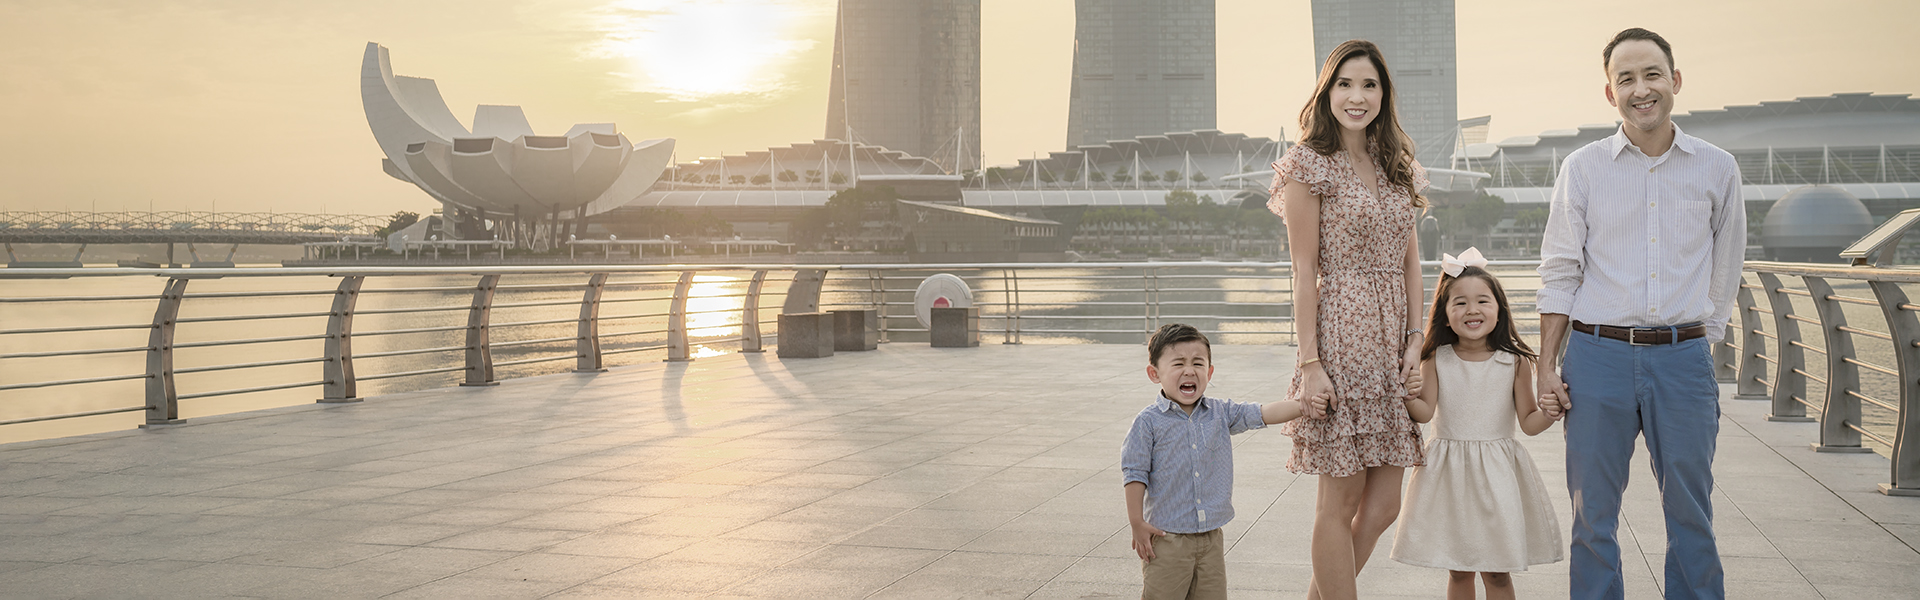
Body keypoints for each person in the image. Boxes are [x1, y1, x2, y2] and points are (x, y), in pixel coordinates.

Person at [1535, 28, 1745, 600]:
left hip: (1682, 358)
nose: (1640, 88)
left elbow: (1727, 267)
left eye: (1651, 74)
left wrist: (1704, 343)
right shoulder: (1582, 168)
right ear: (1610, 94)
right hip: (1596, 357)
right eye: (1625, 78)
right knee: (1593, 518)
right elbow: (1560, 271)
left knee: (1692, 516)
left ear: (1674, 81)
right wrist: (1546, 366)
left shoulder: (1718, 168)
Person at [1268, 38, 1429, 600]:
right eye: (1345, 84)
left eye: (1369, 85)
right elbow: (1303, 269)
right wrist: (1311, 363)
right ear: (1326, 90)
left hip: (1392, 347)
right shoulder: (1308, 166)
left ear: (1384, 94)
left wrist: (1416, 342)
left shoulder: (1396, 166)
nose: (1357, 97)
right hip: (1342, 336)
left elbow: (1413, 265)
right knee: (1338, 502)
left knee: (1384, 504)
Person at [1392, 249, 1565, 600]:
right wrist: (1408, 393)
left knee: (1498, 572)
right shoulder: (1436, 358)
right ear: (1444, 313)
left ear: (1499, 308)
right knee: (1459, 568)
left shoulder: (1514, 362)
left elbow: (1529, 423)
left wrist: (1550, 410)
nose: (1472, 310)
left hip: (1498, 476)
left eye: (1483, 301)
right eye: (1460, 303)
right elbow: (1425, 412)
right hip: (1449, 474)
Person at [1122, 323, 1328, 600]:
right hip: (1167, 538)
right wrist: (1136, 522)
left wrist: (1304, 405)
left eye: (1198, 363)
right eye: (1178, 363)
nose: (1189, 370)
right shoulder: (1148, 422)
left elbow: (1263, 413)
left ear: (1209, 372)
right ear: (1154, 373)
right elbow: (1135, 473)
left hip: (1210, 539)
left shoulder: (1219, 412)